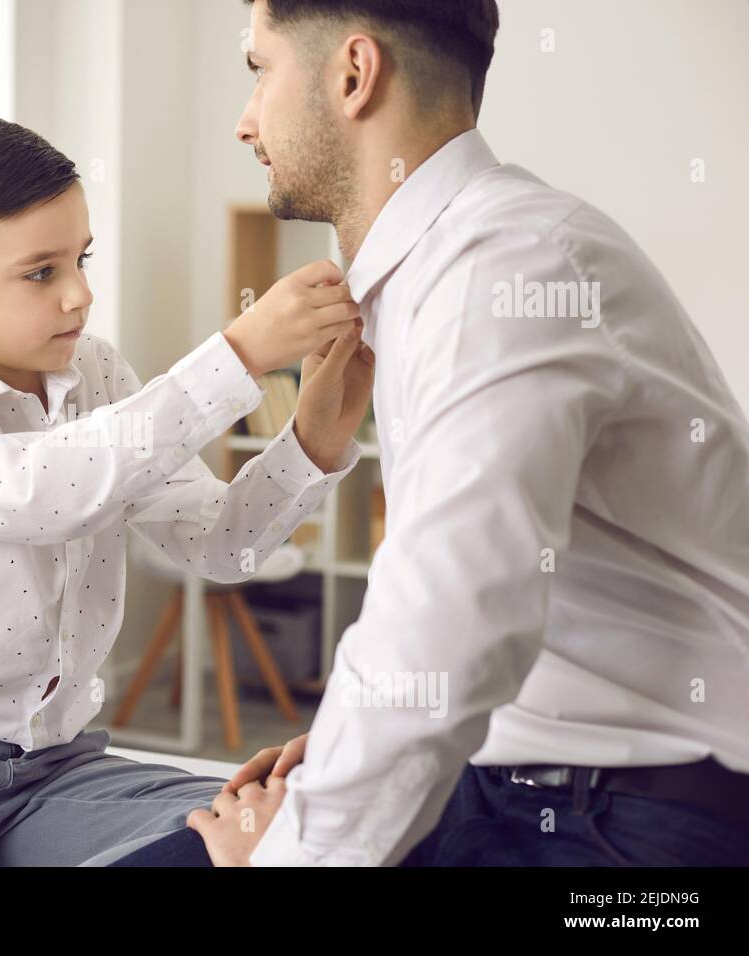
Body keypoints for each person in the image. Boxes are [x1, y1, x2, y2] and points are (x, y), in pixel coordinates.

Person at [184, 0, 749, 866]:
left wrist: (291, 854)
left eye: (259, 70)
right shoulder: (438, 270)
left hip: (647, 821)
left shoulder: (508, 265)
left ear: (353, 74)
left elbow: (447, 620)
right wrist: (339, 757)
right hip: (520, 780)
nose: (243, 119)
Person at [0, 110, 375, 866]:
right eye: (42, 272)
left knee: (269, 834)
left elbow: (221, 545)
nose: (80, 295)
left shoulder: (99, 372)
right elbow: (38, 492)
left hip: (56, 772)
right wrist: (239, 354)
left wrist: (315, 439)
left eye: (82, 259)